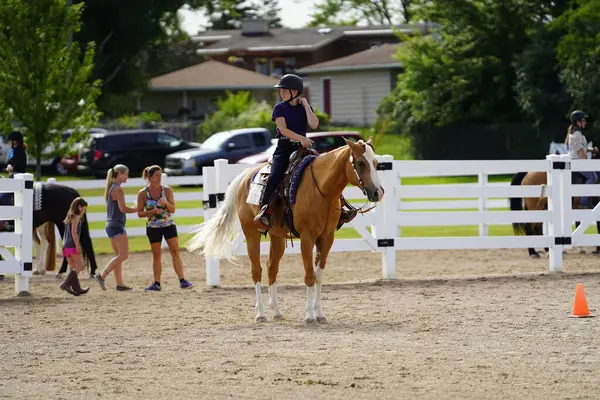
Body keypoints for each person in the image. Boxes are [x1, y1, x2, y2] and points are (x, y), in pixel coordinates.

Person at [253, 74, 319, 230]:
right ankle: (265, 211)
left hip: (302, 149)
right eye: (280, 90)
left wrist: (306, 106)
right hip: (284, 149)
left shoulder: (305, 107)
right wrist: (301, 138)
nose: (281, 93)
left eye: (284, 90)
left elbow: (314, 124)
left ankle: (342, 207)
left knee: (323, 171)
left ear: (295, 92)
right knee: (275, 175)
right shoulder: (279, 108)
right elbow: (283, 130)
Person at [137, 165, 192, 291]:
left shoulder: (167, 190)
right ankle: (156, 283)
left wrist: (166, 203)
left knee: (175, 252)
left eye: (161, 174)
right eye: (157, 175)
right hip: (153, 227)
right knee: (157, 255)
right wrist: (152, 212)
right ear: (150, 177)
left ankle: (183, 280)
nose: (160, 177)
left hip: (168, 225)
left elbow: (173, 209)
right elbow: (139, 213)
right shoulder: (143, 193)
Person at [94, 164, 138, 292]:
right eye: (125, 174)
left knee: (118, 255)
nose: (127, 177)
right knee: (123, 255)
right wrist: (138, 209)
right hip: (117, 225)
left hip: (111, 225)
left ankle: (120, 284)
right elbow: (123, 209)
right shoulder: (118, 189)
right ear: (119, 174)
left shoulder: (112, 188)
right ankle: (102, 276)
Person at [566, 110, 598, 208]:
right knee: (593, 177)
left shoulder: (578, 133)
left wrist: (592, 150)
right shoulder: (577, 134)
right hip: (577, 161)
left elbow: (583, 148)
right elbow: (581, 152)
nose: (585, 122)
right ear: (577, 122)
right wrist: (586, 164)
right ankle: (584, 200)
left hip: (577, 160)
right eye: (583, 120)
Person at [59, 197, 90, 296]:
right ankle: (66, 283)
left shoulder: (69, 216)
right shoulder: (75, 217)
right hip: (72, 245)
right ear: (79, 207)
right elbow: (74, 233)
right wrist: (77, 245)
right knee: (81, 265)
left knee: (73, 268)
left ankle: (76, 288)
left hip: (65, 245)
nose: (84, 211)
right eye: (83, 208)